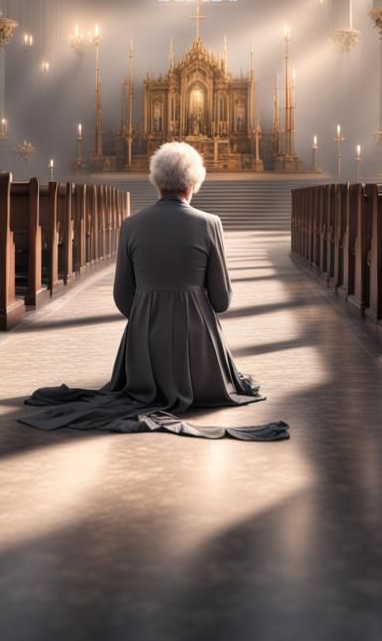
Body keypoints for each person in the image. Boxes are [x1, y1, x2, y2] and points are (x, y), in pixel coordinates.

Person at [19, 142, 288, 441]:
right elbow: (222, 301)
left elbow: (122, 296)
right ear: (192, 183)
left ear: (157, 182)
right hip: (200, 360)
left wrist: (147, 317)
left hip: (143, 352)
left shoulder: (131, 225)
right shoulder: (210, 224)